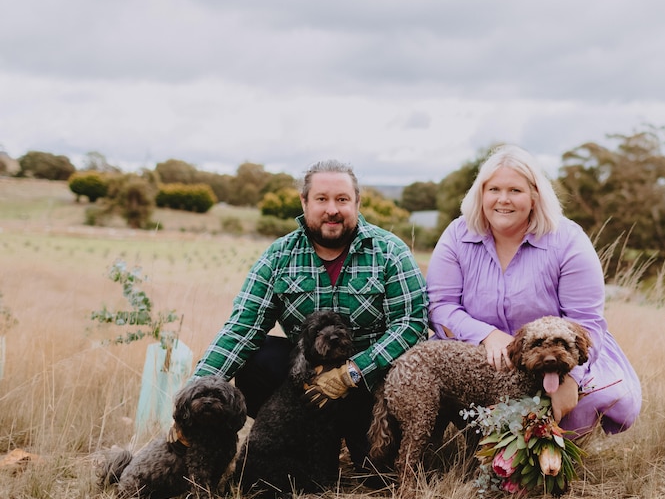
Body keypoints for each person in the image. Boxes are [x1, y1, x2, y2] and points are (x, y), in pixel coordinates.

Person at [193, 158, 428, 469]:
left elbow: (412, 323)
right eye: (322, 199)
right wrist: (193, 393)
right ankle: (297, 441)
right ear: (304, 202)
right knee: (256, 361)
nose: (332, 209)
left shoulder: (389, 251)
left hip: (371, 386)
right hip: (307, 390)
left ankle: (355, 447)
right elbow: (241, 329)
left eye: (342, 199)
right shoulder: (279, 256)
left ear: (357, 202)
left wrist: (352, 372)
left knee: (376, 473)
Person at [425, 144, 641, 438]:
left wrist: (570, 379)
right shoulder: (457, 235)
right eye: (494, 190)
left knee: (608, 400)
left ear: (535, 195)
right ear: (481, 193)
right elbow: (440, 307)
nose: (503, 200)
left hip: (555, 358)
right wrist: (487, 335)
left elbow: (586, 322)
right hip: (481, 357)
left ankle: (557, 451)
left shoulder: (568, 240)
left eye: (515, 190)